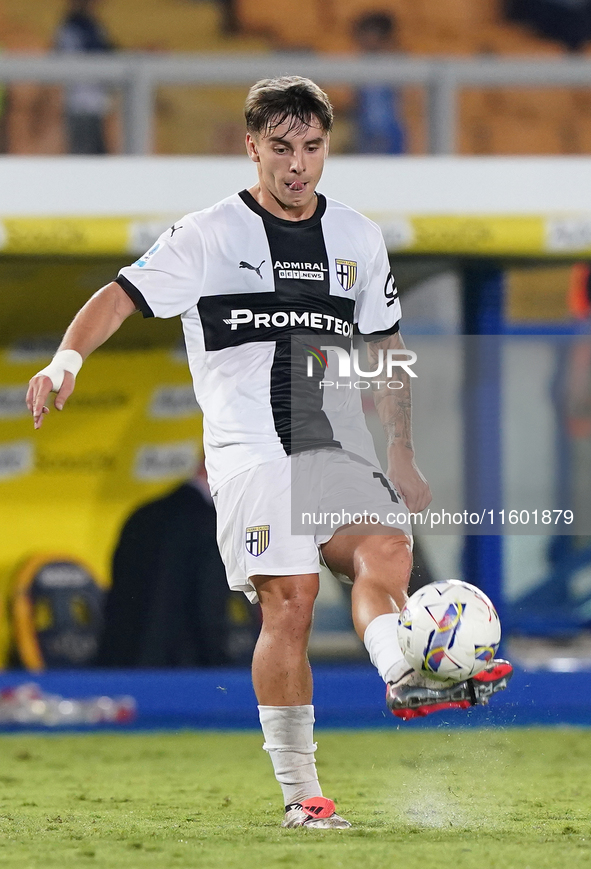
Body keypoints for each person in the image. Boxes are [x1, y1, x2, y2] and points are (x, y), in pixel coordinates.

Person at [26, 76, 512, 829]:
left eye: (312, 147)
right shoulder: (208, 235)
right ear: (252, 147)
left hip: (334, 442)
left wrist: (402, 450)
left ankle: (401, 674)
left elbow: (385, 345)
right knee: (291, 601)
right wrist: (66, 360)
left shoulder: (355, 236)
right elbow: (119, 295)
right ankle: (302, 796)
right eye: (281, 148)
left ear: (326, 148)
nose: (298, 165)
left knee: (383, 551)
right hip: (250, 453)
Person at [96, 460, 258, 668]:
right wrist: (220, 667)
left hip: (121, 663)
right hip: (182, 672)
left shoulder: (144, 513)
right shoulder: (212, 524)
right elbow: (208, 608)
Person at [53, 0, 115, 154]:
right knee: (82, 157)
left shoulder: (94, 28)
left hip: (97, 106)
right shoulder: (71, 28)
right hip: (77, 105)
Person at [350, 12, 406, 154]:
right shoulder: (358, 64)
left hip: (391, 132)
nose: (360, 40)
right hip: (364, 131)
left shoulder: (399, 64)